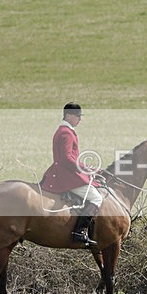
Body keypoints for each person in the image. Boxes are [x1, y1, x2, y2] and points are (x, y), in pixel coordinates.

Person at [40, 102, 103, 245]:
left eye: (80, 116)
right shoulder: (66, 133)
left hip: (64, 171)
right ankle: (79, 232)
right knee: (96, 198)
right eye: (77, 116)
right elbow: (67, 158)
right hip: (66, 175)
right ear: (68, 115)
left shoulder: (63, 130)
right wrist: (86, 169)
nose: (80, 119)